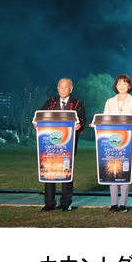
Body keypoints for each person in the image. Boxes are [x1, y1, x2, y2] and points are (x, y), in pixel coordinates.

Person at [38, 78, 87, 212]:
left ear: (70, 89)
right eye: (60, 86)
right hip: (50, 145)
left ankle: (65, 203)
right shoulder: (50, 102)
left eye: (66, 87)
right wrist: (36, 123)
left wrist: (79, 124)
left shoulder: (77, 103)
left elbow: (82, 119)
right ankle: (49, 203)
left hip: (67, 146)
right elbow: (40, 117)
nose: (63, 89)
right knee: (49, 172)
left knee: (66, 172)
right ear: (57, 88)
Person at [102, 74, 132, 213]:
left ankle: (123, 204)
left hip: (127, 139)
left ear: (129, 86)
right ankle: (113, 204)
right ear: (116, 86)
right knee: (112, 170)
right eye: (119, 83)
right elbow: (104, 118)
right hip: (111, 141)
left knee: (124, 170)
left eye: (124, 83)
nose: (122, 86)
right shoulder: (109, 102)